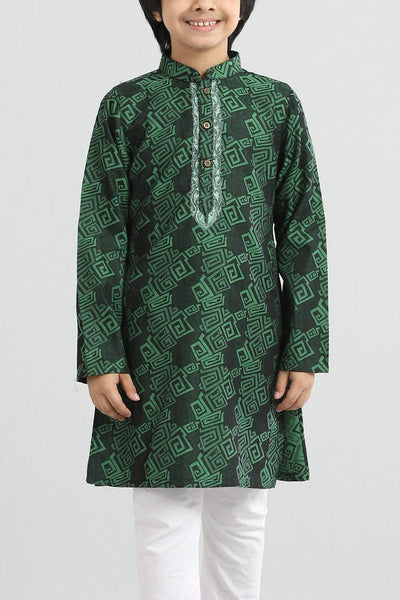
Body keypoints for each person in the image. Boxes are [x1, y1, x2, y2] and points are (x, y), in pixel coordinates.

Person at [75, 1, 329, 598]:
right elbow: (101, 235)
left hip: (250, 342)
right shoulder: (127, 106)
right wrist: (101, 354)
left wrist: (306, 347)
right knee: (163, 512)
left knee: (243, 510)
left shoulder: (275, 104)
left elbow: (304, 230)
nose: (203, 4)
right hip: (153, 342)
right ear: (155, 10)